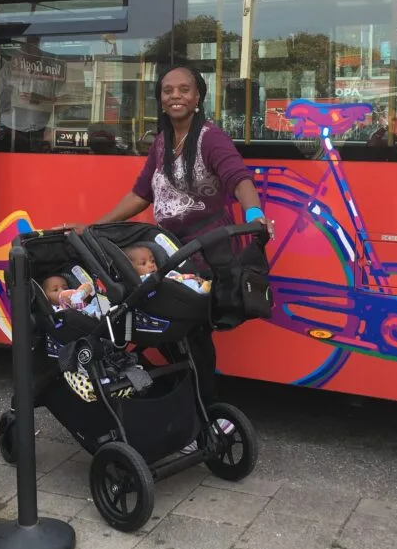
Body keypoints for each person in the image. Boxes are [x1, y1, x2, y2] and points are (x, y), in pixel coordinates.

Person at [92, 64, 274, 405]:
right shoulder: (161, 143)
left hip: (207, 253)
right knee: (171, 331)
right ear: (161, 100)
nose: (176, 95)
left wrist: (255, 213)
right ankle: (181, 402)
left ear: (197, 97)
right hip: (172, 254)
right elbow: (140, 194)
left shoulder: (210, 137)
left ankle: (204, 408)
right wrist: (96, 226)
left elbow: (239, 178)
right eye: (168, 90)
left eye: (184, 89)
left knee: (193, 335)